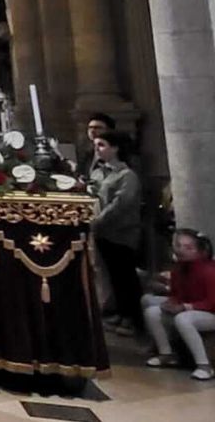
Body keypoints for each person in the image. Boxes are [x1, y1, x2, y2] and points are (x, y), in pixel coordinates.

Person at [144, 229, 215, 380]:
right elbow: (177, 293)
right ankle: (166, 354)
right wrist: (172, 302)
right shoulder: (179, 269)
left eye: (188, 248)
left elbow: (211, 302)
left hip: (210, 312)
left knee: (183, 319)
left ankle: (204, 365)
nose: (181, 250)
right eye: (178, 245)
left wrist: (185, 307)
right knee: (152, 312)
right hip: (194, 308)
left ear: (200, 251)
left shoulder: (209, 271)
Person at [93, 130, 144, 335]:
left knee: (126, 277)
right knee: (115, 277)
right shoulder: (104, 172)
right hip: (106, 233)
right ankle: (121, 313)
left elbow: (120, 204)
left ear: (115, 148)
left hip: (122, 233)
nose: (97, 149)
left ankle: (133, 318)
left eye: (102, 145)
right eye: (96, 145)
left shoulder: (127, 175)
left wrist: (98, 220)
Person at [77, 112, 116, 179]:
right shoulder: (87, 154)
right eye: (90, 128)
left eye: (97, 128)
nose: (92, 131)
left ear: (109, 130)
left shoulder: (117, 153)